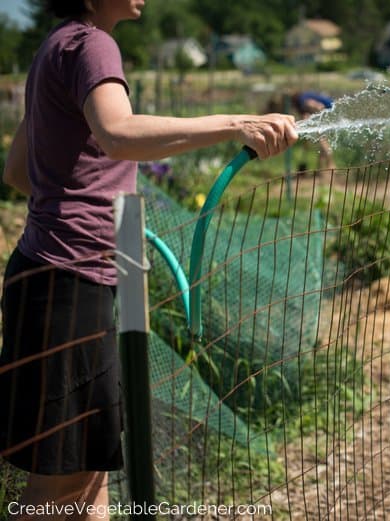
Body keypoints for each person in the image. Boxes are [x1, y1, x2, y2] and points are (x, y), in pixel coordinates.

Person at [0, 1, 297, 519]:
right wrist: (236, 124)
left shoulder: (56, 44)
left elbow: (19, 172)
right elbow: (118, 134)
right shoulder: (94, 45)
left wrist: (83, 201)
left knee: (90, 478)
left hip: (48, 275)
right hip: (69, 283)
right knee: (59, 490)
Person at [291, 91, 336, 171]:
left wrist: (315, 121)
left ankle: (331, 164)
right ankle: (321, 169)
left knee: (322, 141)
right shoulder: (304, 98)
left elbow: (319, 107)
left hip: (329, 111)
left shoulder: (302, 100)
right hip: (329, 111)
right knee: (321, 141)